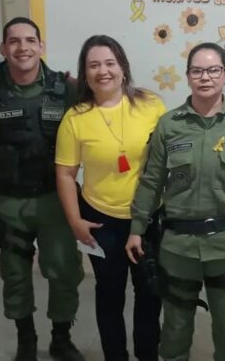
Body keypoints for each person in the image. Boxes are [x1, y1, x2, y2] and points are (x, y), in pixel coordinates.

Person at [126, 43, 225, 361]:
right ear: (188, 77)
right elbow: (151, 181)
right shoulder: (170, 125)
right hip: (178, 246)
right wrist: (136, 228)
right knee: (174, 330)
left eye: (213, 70)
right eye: (197, 70)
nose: (205, 77)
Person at [55, 35, 166, 361]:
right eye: (94, 65)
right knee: (109, 294)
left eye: (109, 63)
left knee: (149, 294)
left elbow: (169, 157)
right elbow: (64, 173)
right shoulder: (75, 119)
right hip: (100, 220)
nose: (103, 71)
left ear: (123, 67)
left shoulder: (151, 105)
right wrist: (75, 221)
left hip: (147, 218)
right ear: (85, 73)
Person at [0, 17, 84, 361]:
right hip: (8, 201)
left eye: (30, 40)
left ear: (41, 46)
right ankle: (26, 340)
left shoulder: (66, 88)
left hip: (55, 201)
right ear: (3, 49)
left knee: (64, 270)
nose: (22, 48)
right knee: (14, 276)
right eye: (14, 41)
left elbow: (104, 109)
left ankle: (61, 338)